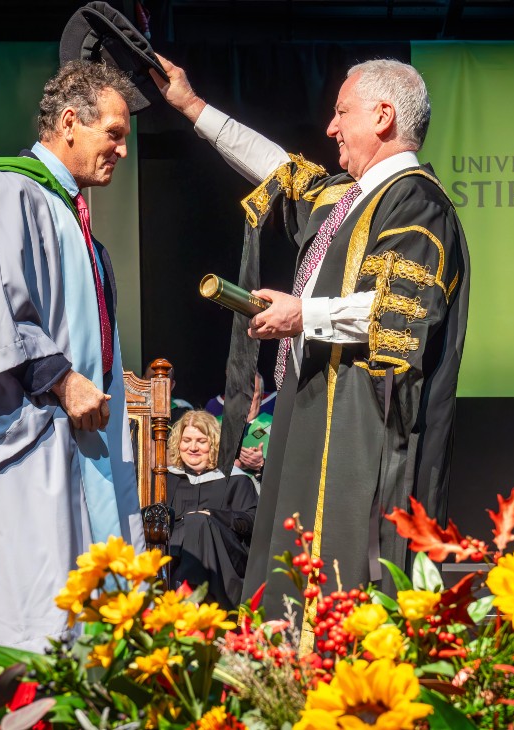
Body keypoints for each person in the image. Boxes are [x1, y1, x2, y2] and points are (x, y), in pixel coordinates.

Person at [153, 56, 471, 614]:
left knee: (349, 584)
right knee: (294, 570)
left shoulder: (417, 202)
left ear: (382, 115)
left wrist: (304, 316)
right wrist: (191, 106)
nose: (329, 128)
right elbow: (277, 168)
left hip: (367, 431)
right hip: (318, 418)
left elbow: (401, 312)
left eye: (340, 112)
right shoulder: (349, 197)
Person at [0, 60, 145, 666]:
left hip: (71, 447)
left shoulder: (68, 214)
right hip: (22, 448)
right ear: (70, 122)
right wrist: (62, 379)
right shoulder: (4, 191)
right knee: (27, 611)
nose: (122, 150)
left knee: (77, 611)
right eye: (114, 134)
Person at [164, 410, 258, 608]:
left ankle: (190, 598)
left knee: (198, 521)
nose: (193, 447)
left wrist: (214, 516)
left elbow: (252, 521)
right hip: (172, 559)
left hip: (222, 563)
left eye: (201, 441)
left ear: (214, 443)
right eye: (186, 440)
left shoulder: (236, 480)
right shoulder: (166, 480)